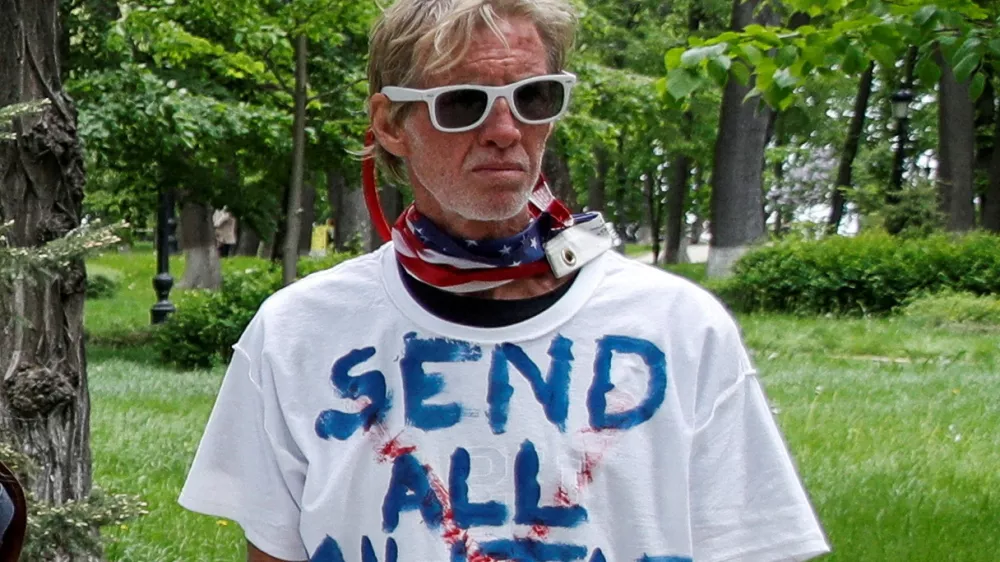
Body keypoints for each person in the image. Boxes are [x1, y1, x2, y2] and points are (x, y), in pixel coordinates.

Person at [179, 1, 831, 561]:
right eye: (462, 103)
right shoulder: (296, 335)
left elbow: (750, 542)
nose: (504, 131)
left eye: (533, 96)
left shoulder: (677, 328)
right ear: (389, 124)